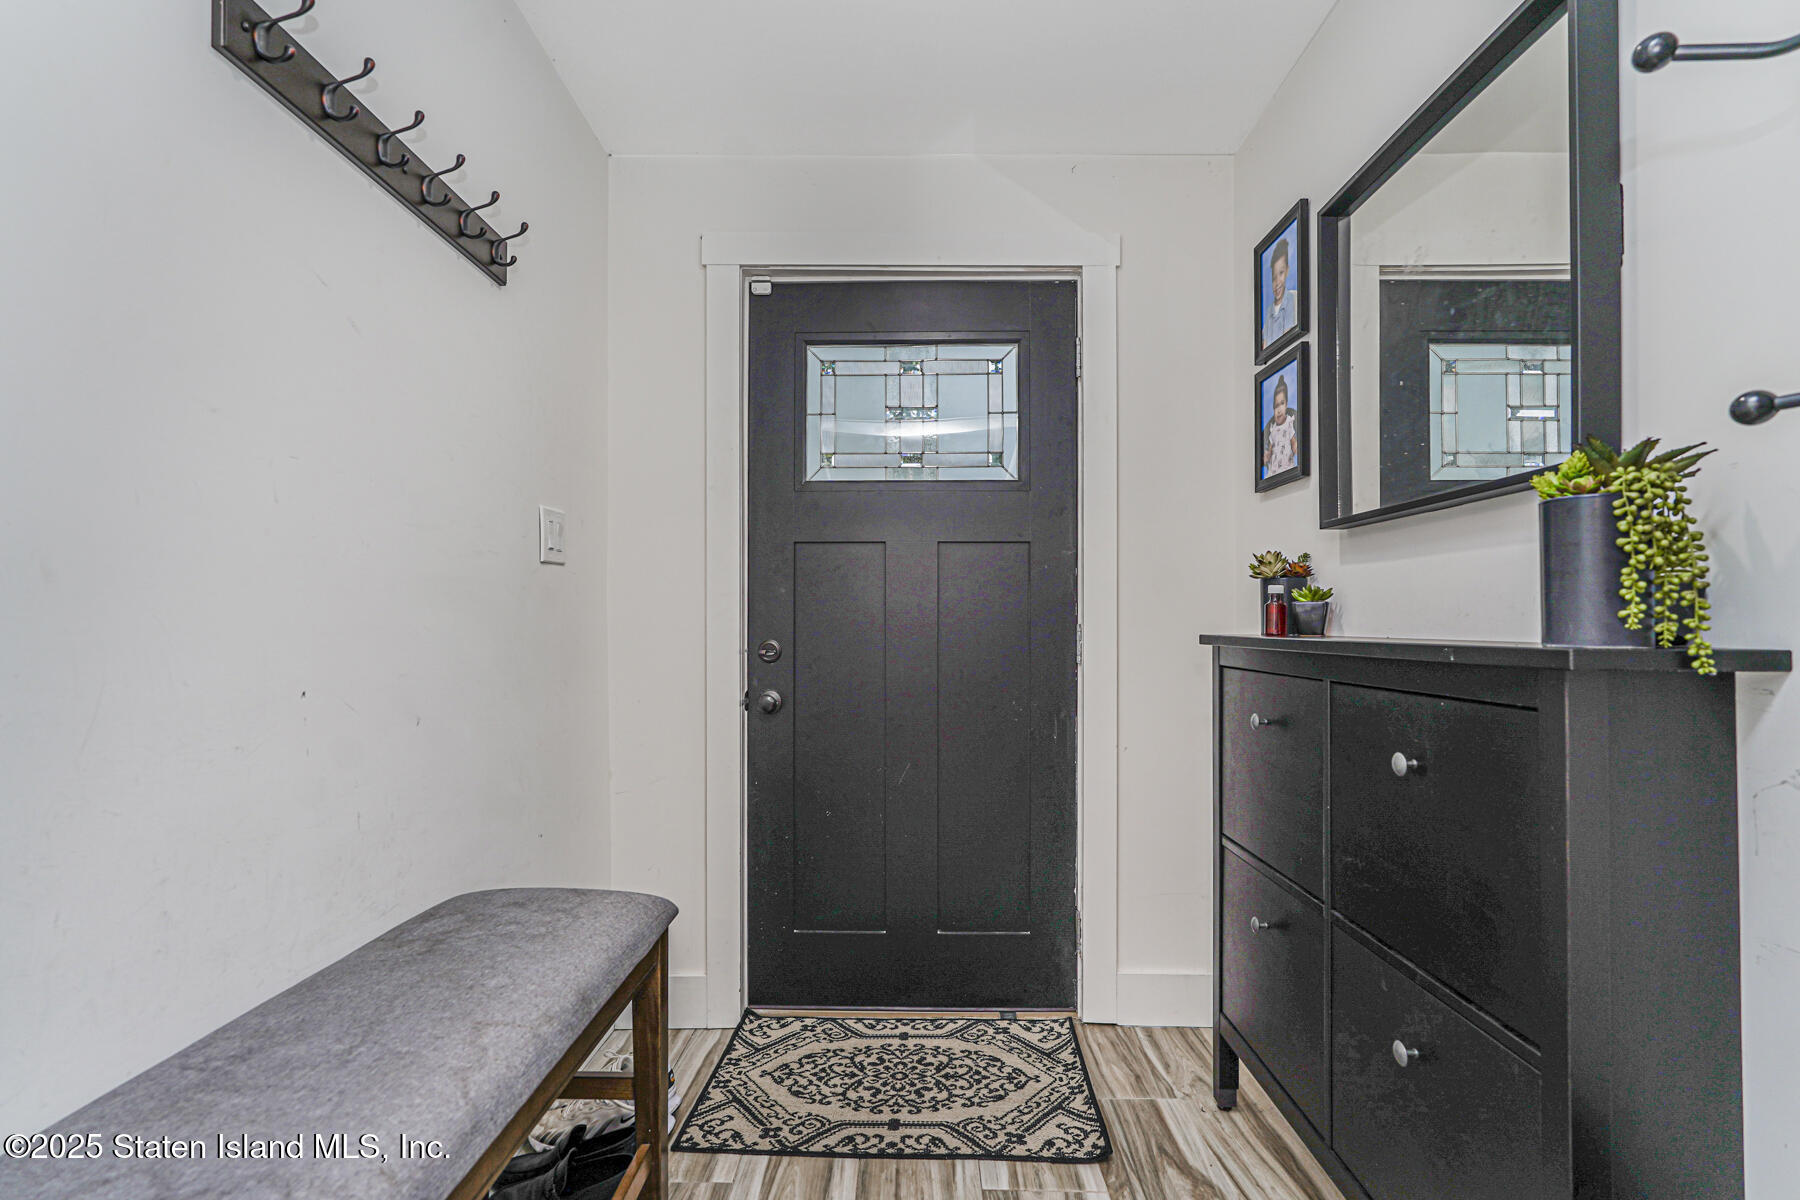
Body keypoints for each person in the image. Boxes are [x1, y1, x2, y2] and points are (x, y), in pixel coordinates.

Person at [1263, 235, 1297, 346]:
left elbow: (1288, 338)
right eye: (1274, 278)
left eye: (1281, 273)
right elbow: (1265, 345)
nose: (1277, 282)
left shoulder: (1291, 299)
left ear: (1287, 271)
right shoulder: (1269, 312)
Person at [1263, 374, 1298, 477]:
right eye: (1276, 406)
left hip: (1287, 467)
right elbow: (1270, 447)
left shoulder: (1288, 424)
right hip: (1273, 471)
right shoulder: (1272, 429)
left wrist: (1297, 450)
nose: (1279, 410)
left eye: (1282, 403)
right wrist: (1267, 456)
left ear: (1286, 404)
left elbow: (1293, 443)